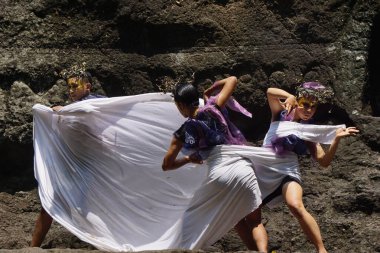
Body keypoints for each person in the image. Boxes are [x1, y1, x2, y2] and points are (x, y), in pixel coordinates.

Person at [250, 82, 359, 253]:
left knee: (295, 205)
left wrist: (336, 139)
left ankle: (321, 250)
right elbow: (270, 92)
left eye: (313, 107)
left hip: (288, 169)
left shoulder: (309, 131)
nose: (309, 110)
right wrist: (289, 96)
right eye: (305, 105)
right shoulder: (280, 114)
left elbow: (324, 161)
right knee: (253, 217)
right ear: (298, 102)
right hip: (263, 168)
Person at [162, 76, 265, 251]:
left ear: (180, 105)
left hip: (220, 173)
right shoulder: (214, 107)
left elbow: (166, 165)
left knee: (204, 218)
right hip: (243, 166)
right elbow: (232, 79)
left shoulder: (183, 131)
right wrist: (210, 90)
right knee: (255, 221)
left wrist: (187, 159)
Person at [30, 64, 106, 247]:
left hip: (89, 166)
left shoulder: (98, 102)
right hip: (70, 166)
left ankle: (97, 244)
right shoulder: (72, 107)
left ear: (87, 86)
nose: (71, 90)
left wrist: (64, 110)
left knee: (85, 208)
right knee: (48, 205)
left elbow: (88, 112)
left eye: (75, 86)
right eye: (69, 86)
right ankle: (31, 248)